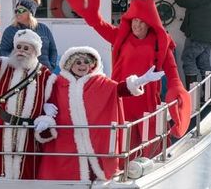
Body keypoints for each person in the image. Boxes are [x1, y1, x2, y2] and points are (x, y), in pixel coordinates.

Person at [59, 0, 192, 154]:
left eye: (141, 22)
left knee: (151, 149)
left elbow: (173, 76)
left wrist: (177, 93)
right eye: (134, 21)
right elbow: (97, 23)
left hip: (148, 105)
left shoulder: (161, 43)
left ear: (150, 23)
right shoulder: (120, 37)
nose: (137, 26)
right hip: (121, 100)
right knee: (120, 146)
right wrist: (88, 10)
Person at [35, 46, 164, 181]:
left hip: (96, 140)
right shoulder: (57, 83)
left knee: (95, 170)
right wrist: (45, 113)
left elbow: (118, 89)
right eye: (78, 62)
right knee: (63, 173)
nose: (82, 65)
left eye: (86, 62)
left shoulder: (100, 82)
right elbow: (45, 99)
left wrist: (140, 80)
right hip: (65, 141)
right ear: (70, 65)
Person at [0, 17, 57, 179]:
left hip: (29, 132)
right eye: (18, 47)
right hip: (2, 127)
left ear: (35, 52)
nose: (21, 51)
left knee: (27, 171)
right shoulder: (3, 66)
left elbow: (55, 98)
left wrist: (47, 113)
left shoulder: (45, 74)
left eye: (26, 48)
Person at [0, 0, 59, 72]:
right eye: (16, 11)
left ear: (30, 13)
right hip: (21, 73)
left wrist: (51, 66)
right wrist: (14, 67)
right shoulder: (10, 30)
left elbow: (53, 50)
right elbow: (3, 52)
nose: (17, 13)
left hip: (44, 72)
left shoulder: (44, 28)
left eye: (21, 10)